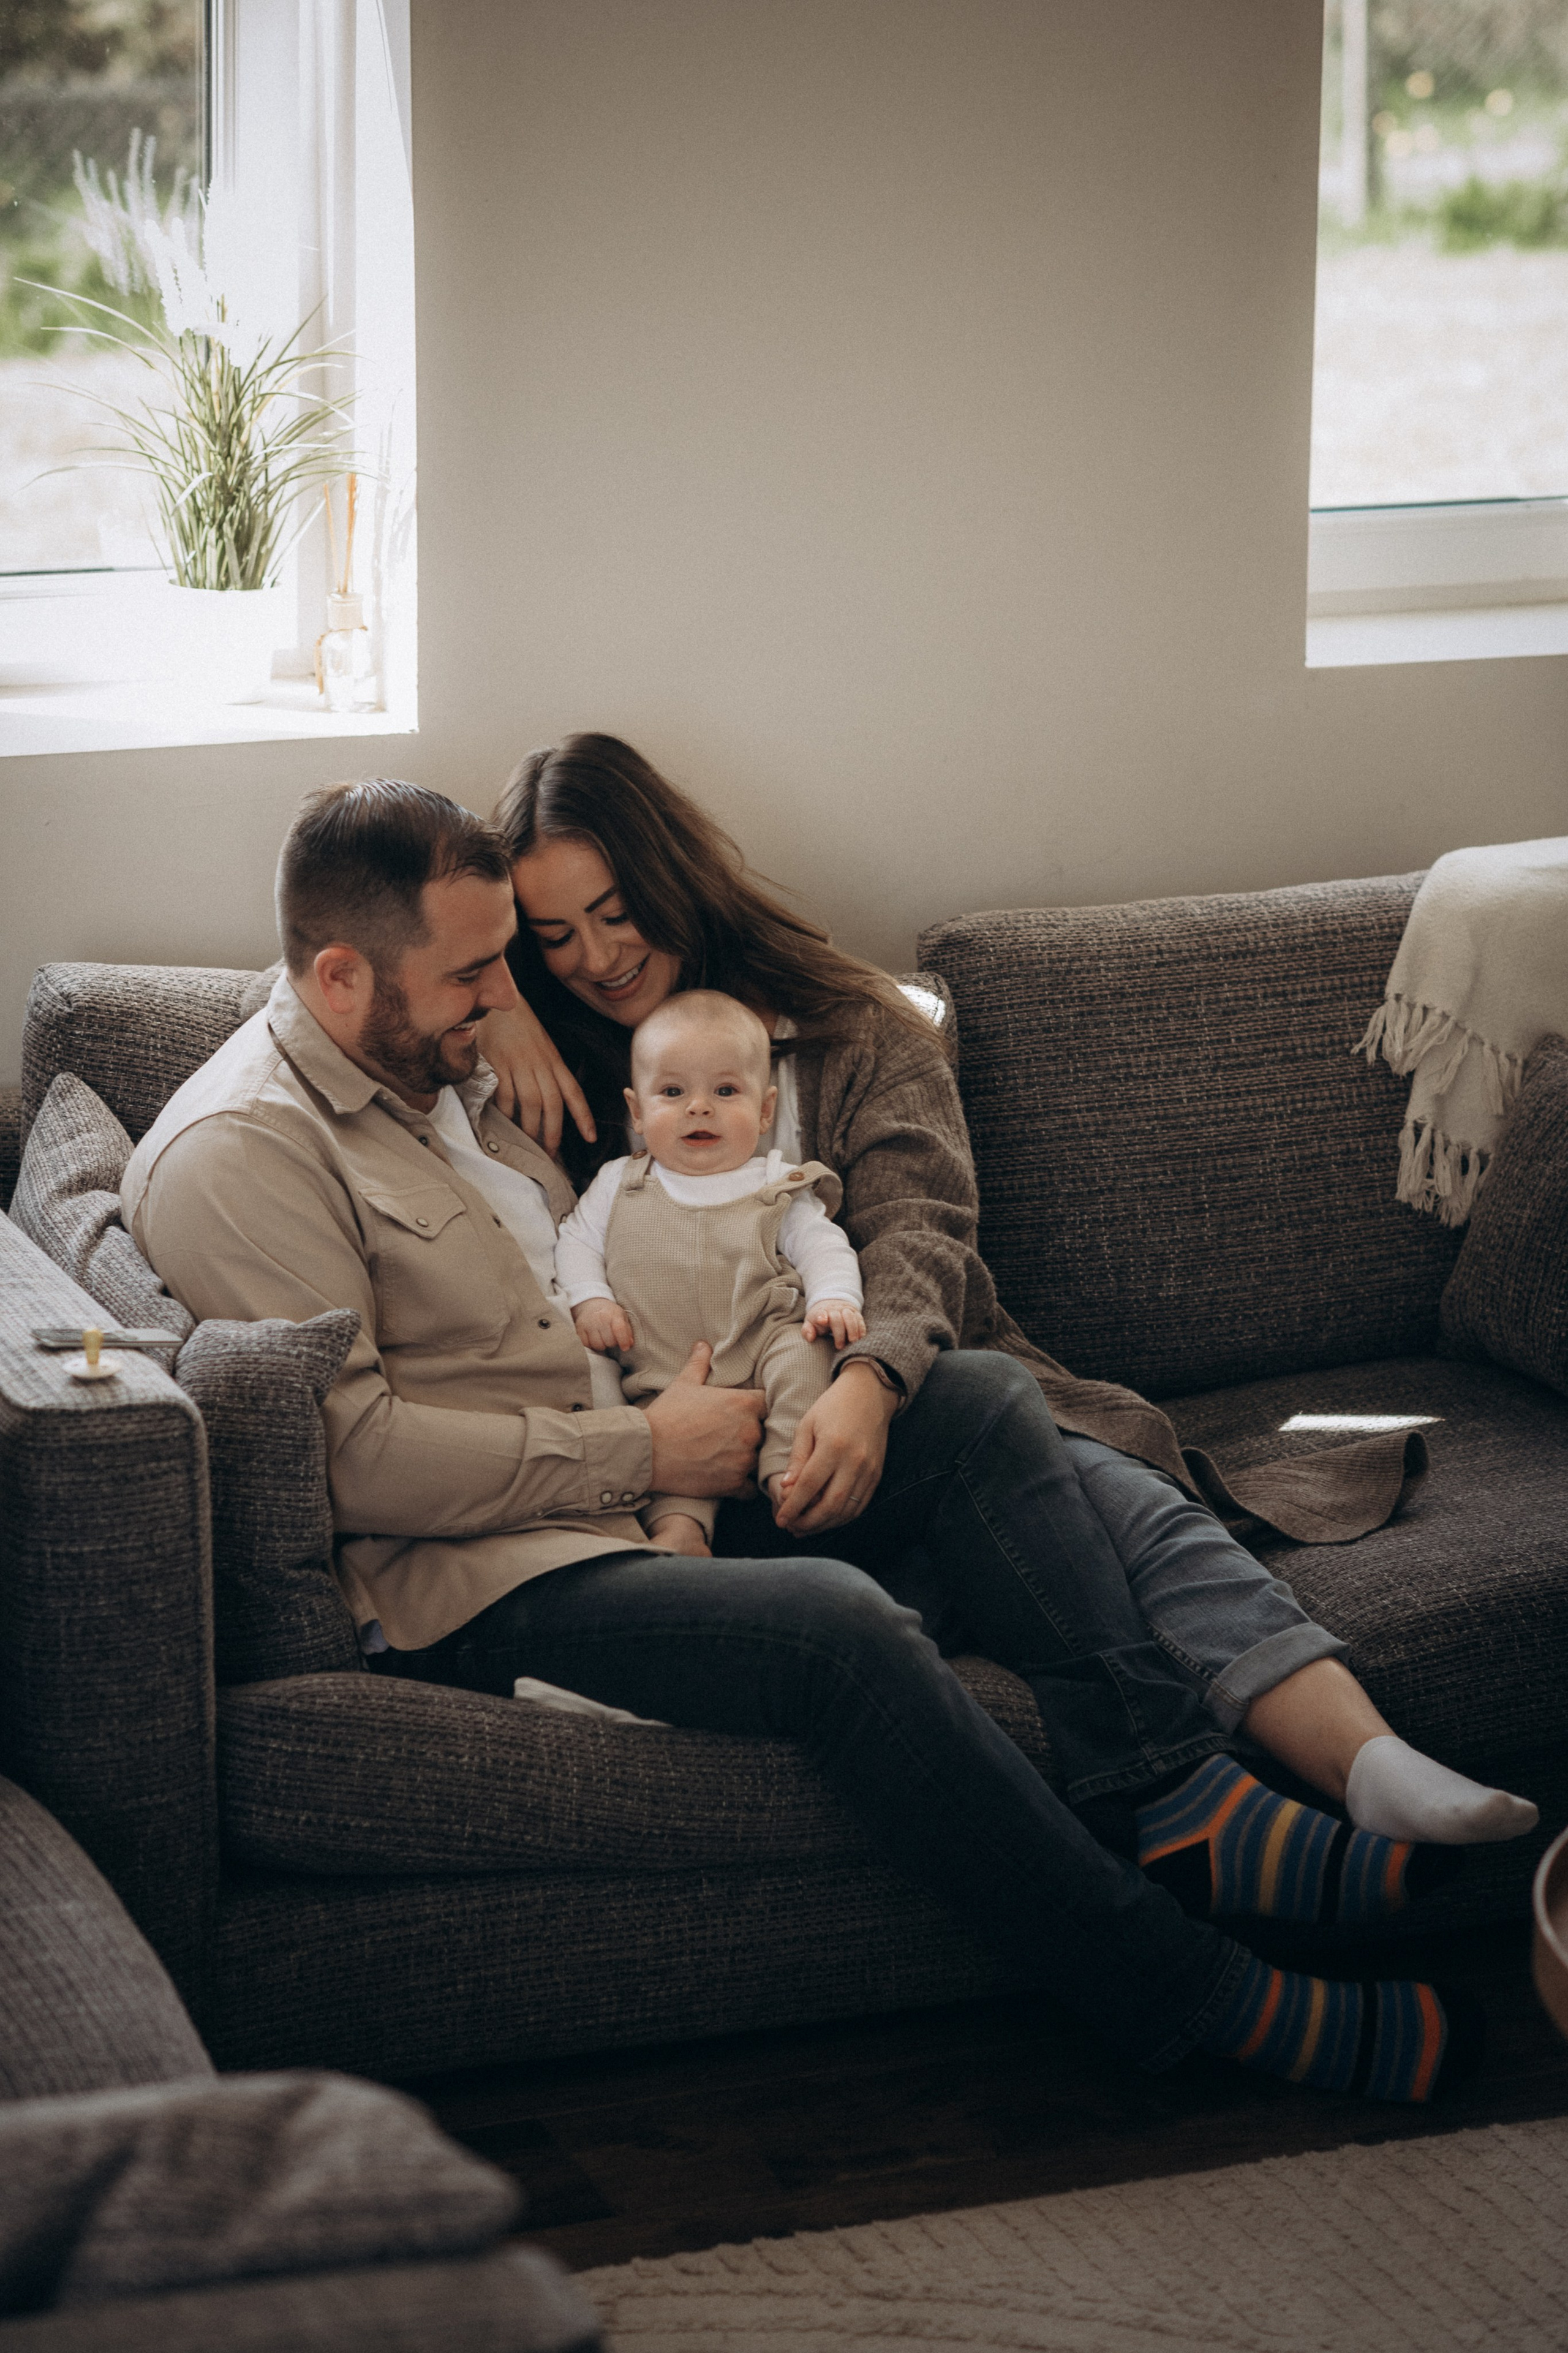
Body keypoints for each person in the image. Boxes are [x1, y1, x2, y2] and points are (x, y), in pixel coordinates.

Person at [120, 775, 1489, 2107]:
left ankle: (1173, 1790)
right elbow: (352, 1457)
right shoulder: (245, 1158)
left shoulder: (424, 1057)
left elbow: (856, 1220)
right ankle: (1191, 1997)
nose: (509, 997)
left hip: (646, 1472)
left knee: (979, 1403)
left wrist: (730, 1412)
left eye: (505, 965)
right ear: (344, 977)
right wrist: (649, 1458)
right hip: (489, 1572)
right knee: (834, 1626)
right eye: (481, 973)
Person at [488, 734, 1539, 1857]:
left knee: (1091, 1478)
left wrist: (870, 1377)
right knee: (1041, 1466)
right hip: (688, 1472)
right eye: (550, 936)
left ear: (670, 877)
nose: (595, 957)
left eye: (615, 913)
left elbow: (919, 1229)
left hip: (892, 1405)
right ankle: (1241, 1792)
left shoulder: (856, 1030)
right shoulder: (553, 1067)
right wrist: (502, 997)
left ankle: (1365, 1764)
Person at [554, 986, 865, 1551]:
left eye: (726, 1090)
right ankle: (682, 1527)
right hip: (663, 1373)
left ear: (765, 1109)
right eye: (673, 1091)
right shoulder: (618, 1182)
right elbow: (574, 1242)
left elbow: (825, 1246)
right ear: (637, 1111)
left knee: (804, 1355)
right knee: (655, 1436)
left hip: (762, 1344)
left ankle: (788, 1471)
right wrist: (591, 1298)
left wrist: (833, 1299)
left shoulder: (778, 1183)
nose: (700, 1107)